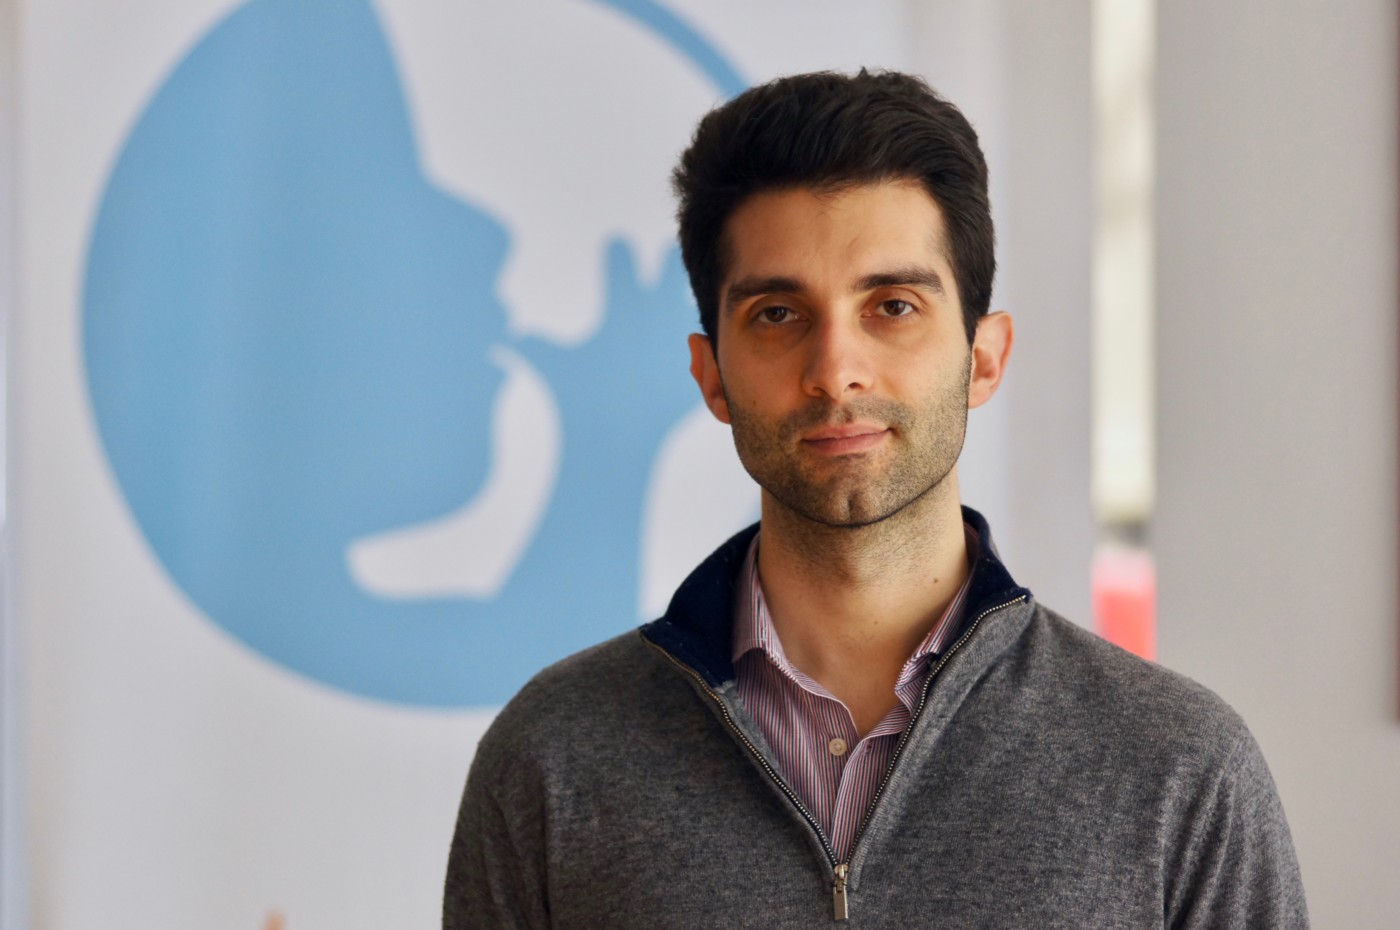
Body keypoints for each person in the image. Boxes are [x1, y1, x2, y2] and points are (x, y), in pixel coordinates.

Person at [443, 70, 1308, 929]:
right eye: (777, 314)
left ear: (985, 358)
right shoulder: (553, 757)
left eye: (892, 306)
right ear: (712, 376)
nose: (835, 371)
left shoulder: (1178, 769)